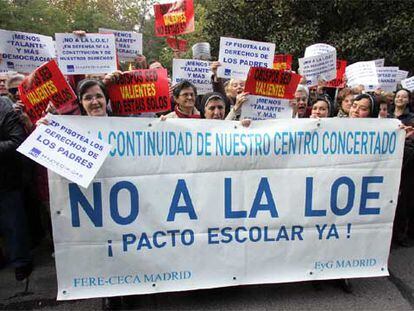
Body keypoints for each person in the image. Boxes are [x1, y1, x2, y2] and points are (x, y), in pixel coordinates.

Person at [0, 96, 32, 281]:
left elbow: (17, 141)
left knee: (13, 222)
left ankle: (21, 262)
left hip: (6, 179)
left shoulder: (4, 106)